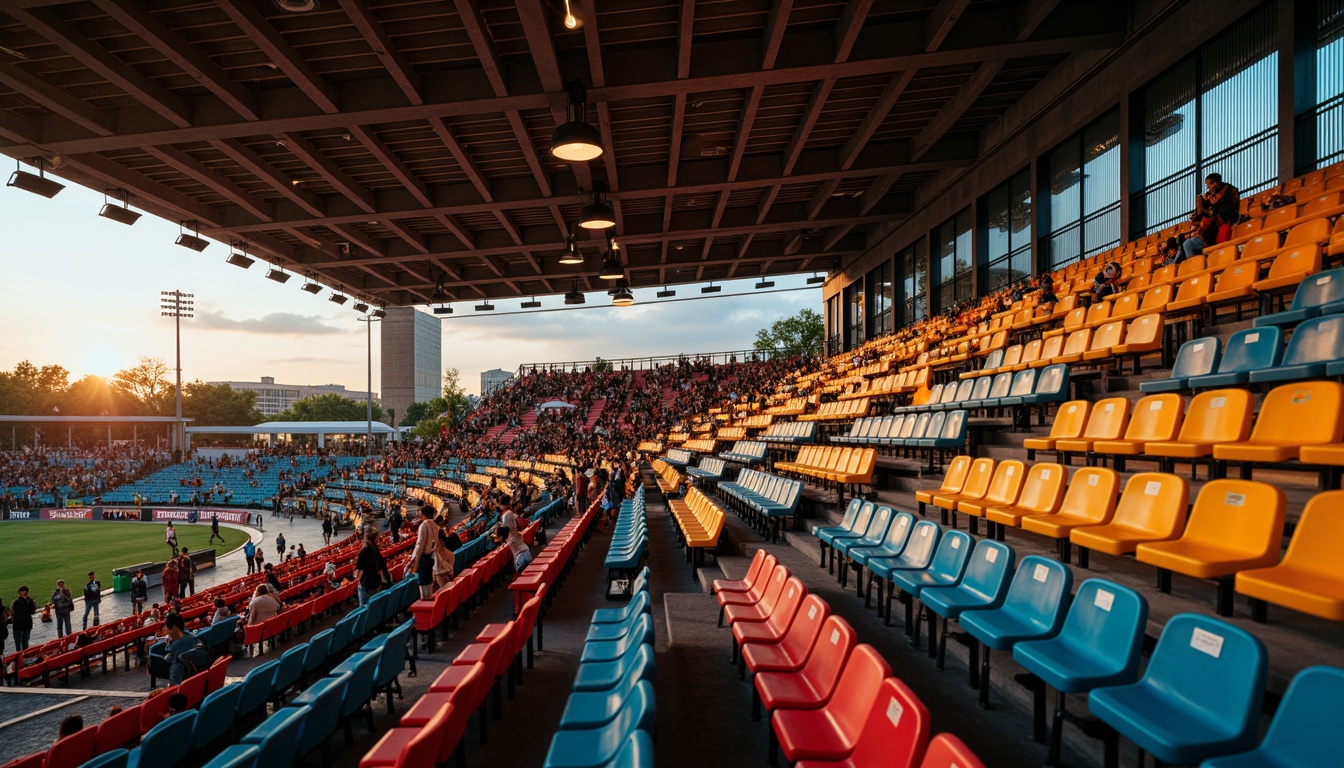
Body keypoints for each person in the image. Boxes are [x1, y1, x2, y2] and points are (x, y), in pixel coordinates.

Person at [1191, 172, 1240, 247]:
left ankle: (1206, 244)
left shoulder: (1229, 190)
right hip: (1215, 217)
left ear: (1214, 183)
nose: (1207, 188)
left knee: (1210, 225)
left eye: (1208, 185)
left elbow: (1232, 208)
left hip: (1225, 216)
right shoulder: (1210, 194)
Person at [408, 506, 445, 600]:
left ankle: (425, 599)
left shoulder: (424, 525)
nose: (419, 515)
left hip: (423, 556)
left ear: (424, 514)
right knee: (428, 579)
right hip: (430, 554)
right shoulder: (435, 525)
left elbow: (420, 545)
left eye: (420, 513)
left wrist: (415, 560)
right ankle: (429, 596)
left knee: (423, 580)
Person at [162, 613, 207, 686]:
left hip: (187, 686)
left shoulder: (174, 655)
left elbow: (175, 685)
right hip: (200, 681)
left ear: (173, 628)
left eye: (166, 626)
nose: (164, 628)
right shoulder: (192, 638)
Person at [353, 528, 389, 607]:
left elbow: (358, 574)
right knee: (376, 606)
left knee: (364, 610)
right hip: (376, 583)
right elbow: (381, 566)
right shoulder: (376, 549)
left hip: (366, 585)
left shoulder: (363, 552)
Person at [11, 586, 36, 652]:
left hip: (27, 624)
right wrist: (26, 601)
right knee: (18, 643)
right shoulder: (16, 602)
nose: (25, 593)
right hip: (18, 625)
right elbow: (15, 611)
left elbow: (32, 611)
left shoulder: (30, 601)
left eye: (26, 591)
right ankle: (19, 656)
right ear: (20, 593)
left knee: (25, 642)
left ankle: (25, 656)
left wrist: (31, 604)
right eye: (23, 591)